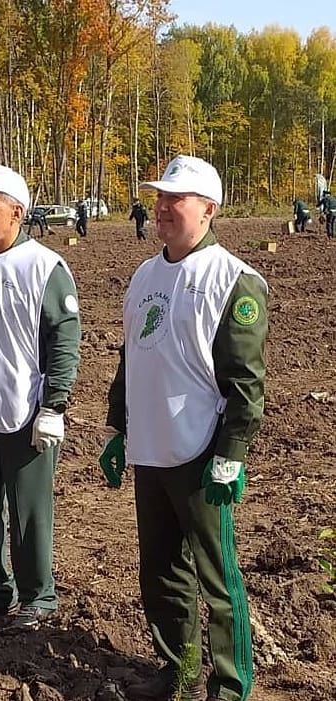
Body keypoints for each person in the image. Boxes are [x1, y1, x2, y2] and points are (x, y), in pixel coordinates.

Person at [99, 155, 268, 701]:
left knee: (217, 577)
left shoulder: (234, 281)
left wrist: (232, 452)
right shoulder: (145, 275)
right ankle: (180, 670)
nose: (163, 207)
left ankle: (231, 682)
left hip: (201, 453)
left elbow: (245, 381)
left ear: (209, 209)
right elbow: (133, 359)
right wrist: (117, 428)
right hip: (151, 449)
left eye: (177, 199)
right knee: (162, 573)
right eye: (160, 197)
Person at [0, 163, 81, 629]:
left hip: (22, 411)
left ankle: (37, 597)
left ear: (17, 212)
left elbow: (64, 338)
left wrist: (55, 405)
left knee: (27, 512)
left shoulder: (44, 267)